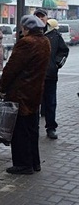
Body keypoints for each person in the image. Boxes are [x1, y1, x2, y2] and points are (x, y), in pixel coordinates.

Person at [0, 14, 50, 175]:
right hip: (35, 93)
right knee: (32, 129)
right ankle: (34, 162)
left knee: (20, 130)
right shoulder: (45, 42)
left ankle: (23, 164)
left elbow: (12, 68)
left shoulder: (26, 43)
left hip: (20, 94)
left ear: (26, 28)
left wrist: (2, 87)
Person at [34, 9, 69, 140]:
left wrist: (56, 64)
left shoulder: (54, 34)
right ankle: (33, 127)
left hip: (50, 75)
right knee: (33, 102)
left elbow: (64, 50)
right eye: (37, 17)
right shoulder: (29, 32)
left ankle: (51, 127)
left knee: (50, 102)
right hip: (33, 76)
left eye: (42, 17)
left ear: (46, 18)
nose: (40, 19)